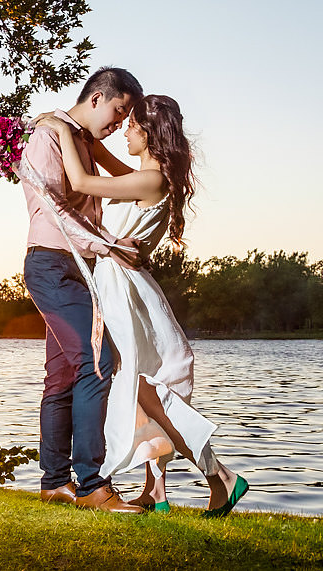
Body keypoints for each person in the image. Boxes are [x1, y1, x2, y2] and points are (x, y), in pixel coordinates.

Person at [38, 94, 248, 517]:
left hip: (122, 292)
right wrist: (83, 135)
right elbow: (108, 166)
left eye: (131, 125)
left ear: (150, 133)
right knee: (139, 388)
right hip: (119, 285)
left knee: (144, 388)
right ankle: (157, 489)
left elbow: (81, 183)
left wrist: (60, 129)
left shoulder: (149, 181)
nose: (124, 131)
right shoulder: (145, 176)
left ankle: (219, 476)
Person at [20, 66, 146, 514]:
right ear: (97, 98)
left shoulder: (84, 140)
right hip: (52, 265)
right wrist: (109, 245)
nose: (118, 124)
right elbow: (54, 209)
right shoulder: (49, 137)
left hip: (80, 268)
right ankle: (92, 485)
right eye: (118, 111)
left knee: (64, 375)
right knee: (99, 362)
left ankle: (55, 483)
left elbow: (129, 179)